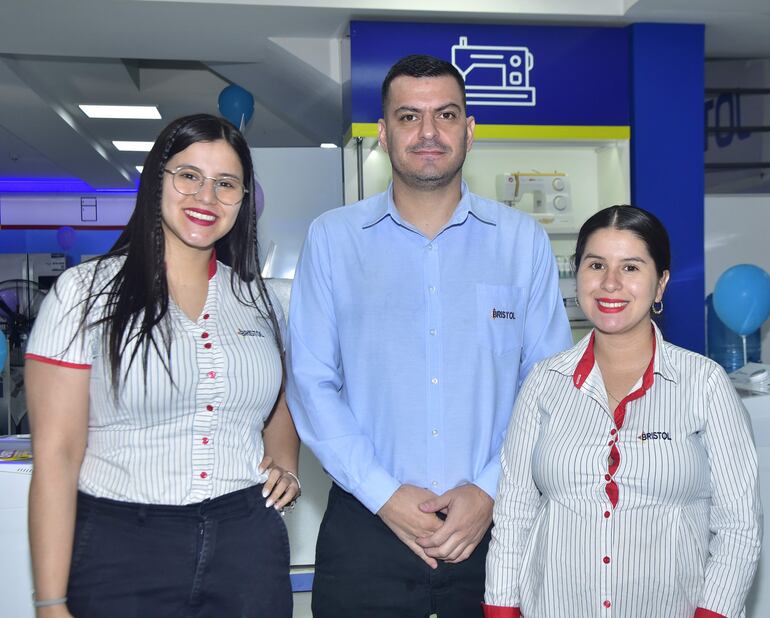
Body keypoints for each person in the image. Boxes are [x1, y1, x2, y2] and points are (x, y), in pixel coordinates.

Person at [286, 54, 572, 617]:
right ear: (383, 134)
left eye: (445, 115)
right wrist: (385, 495)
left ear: (469, 130)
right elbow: (310, 382)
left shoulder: (521, 241)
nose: (428, 133)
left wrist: (490, 490)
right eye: (408, 117)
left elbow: (550, 384)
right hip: (367, 527)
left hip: (498, 530)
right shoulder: (334, 240)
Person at [25, 114, 299, 618]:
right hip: (122, 547)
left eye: (226, 184)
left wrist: (286, 464)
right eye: (189, 175)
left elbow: (279, 400)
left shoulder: (260, 301)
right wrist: (49, 601)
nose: (206, 197)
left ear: (243, 199)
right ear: (157, 180)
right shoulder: (84, 295)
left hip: (247, 547)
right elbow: (57, 455)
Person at [483, 205, 762, 618]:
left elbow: (739, 527)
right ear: (578, 274)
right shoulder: (544, 384)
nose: (610, 283)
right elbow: (513, 514)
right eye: (596, 265)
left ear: (661, 282)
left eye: (631, 268)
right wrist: (501, 610)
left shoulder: (704, 384)